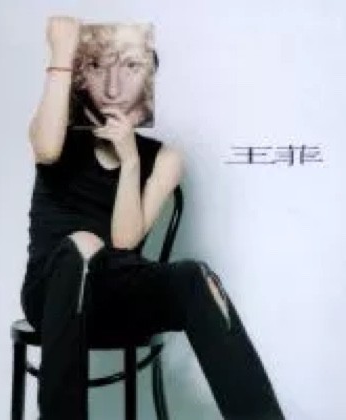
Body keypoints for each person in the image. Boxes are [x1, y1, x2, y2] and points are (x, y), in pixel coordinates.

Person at [20, 16, 286, 420]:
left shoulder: (164, 158)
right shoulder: (58, 137)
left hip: (118, 296)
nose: (113, 87)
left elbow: (125, 242)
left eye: (130, 67)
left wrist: (130, 160)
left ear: (148, 75)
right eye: (97, 67)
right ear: (80, 75)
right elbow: (45, 149)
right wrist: (61, 52)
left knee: (195, 277)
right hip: (53, 293)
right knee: (83, 244)